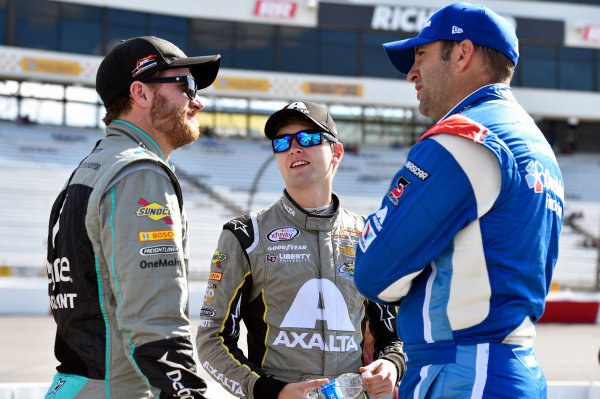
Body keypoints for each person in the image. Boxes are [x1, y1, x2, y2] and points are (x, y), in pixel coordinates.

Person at [353, 3, 564, 399]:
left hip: (465, 372)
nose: (411, 73)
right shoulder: (538, 147)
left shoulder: (462, 137)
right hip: (512, 366)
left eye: (421, 55)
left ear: (463, 53)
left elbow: (373, 272)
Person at [45, 36, 220, 398]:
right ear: (140, 93)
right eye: (186, 85)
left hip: (74, 386)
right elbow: (156, 324)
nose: (197, 101)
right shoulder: (139, 173)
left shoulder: (90, 169)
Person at [196, 101, 405, 399]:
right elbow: (210, 339)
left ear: (336, 153)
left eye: (308, 138)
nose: (294, 148)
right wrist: (272, 392)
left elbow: (396, 332)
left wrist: (392, 365)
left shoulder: (368, 237)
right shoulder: (246, 235)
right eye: (282, 142)